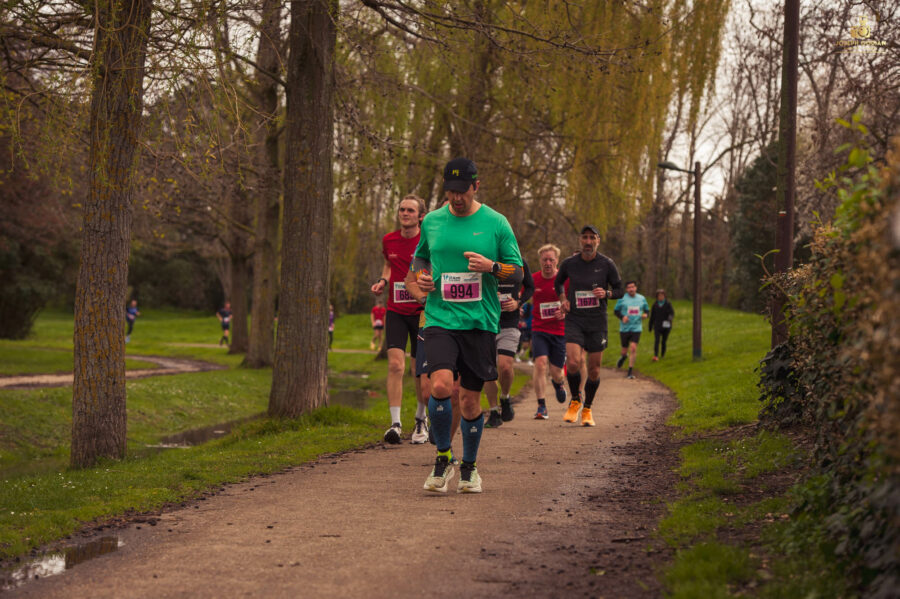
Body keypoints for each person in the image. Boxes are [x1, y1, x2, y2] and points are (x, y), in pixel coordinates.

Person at [413, 157, 523, 493]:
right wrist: (421, 276)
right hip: (440, 317)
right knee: (441, 387)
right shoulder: (432, 221)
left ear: (476, 186)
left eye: (462, 191)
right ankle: (443, 457)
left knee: (471, 403)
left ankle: (470, 468)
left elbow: (517, 272)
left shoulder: (496, 222)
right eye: (450, 191)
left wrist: (491, 267)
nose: (456, 198)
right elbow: (421, 257)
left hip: (480, 321)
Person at [370, 194, 428, 445]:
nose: (405, 213)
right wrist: (383, 281)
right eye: (402, 209)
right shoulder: (389, 240)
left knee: (418, 370)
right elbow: (388, 265)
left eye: (410, 211)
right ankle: (395, 423)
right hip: (395, 310)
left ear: (420, 216)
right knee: (395, 365)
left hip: (420, 311)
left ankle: (420, 419)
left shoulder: (427, 240)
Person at [555, 225, 624, 426]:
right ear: (580, 240)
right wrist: (563, 299)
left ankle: (587, 408)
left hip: (597, 321)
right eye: (584, 237)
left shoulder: (607, 264)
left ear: (597, 241)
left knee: (594, 370)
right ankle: (575, 400)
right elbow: (558, 282)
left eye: (591, 238)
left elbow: (619, 289)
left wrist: (608, 294)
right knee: (574, 362)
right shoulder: (570, 263)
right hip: (575, 319)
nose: (587, 241)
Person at [483, 259, 533, 427]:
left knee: (504, 366)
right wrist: (489, 296)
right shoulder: (483, 259)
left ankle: (505, 397)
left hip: (509, 323)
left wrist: (518, 302)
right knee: (488, 370)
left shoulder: (519, 262)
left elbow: (530, 287)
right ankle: (494, 411)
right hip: (485, 323)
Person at [529, 244, 568, 419]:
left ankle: (558, 383)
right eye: (545, 259)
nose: (548, 263)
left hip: (559, 331)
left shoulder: (565, 280)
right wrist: (518, 306)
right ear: (540, 261)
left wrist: (566, 312)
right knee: (540, 363)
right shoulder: (533, 279)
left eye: (551, 259)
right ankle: (541, 406)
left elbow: (572, 302)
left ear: (557, 261)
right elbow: (521, 295)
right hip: (539, 329)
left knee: (556, 371)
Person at [614, 281, 650, 379]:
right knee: (624, 350)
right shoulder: (622, 299)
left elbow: (647, 310)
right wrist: (622, 317)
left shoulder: (642, 298)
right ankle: (623, 357)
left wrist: (645, 314)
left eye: (633, 287)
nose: (631, 289)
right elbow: (616, 311)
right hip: (625, 328)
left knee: (633, 348)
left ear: (636, 287)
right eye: (629, 287)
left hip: (636, 327)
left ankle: (630, 371)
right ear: (626, 289)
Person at [648, 289, 674, 361]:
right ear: (657, 297)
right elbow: (652, 316)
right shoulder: (655, 305)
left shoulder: (668, 304)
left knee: (663, 341)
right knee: (657, 340)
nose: (660, 297)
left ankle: (663, 354)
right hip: (657, 325)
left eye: (662, 295)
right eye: (659, 296)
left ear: (664, 296)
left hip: (666, 325)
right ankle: (656, 355)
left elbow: (672, 313)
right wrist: (650, 326)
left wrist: (670, 318)